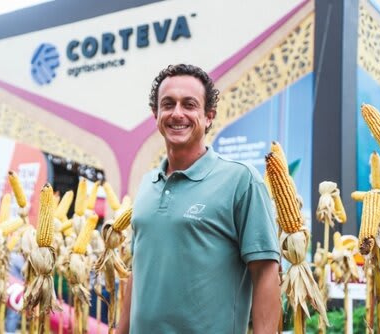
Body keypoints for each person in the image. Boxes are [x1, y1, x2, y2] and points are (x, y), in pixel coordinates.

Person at [117, 64, 281, 334]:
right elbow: (139, 271)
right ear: (155, 115)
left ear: (208, 117)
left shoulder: (240, 180)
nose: (177, 113)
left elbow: (265, 271)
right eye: (167, 104)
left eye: (189, 104)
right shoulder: (147, 184)